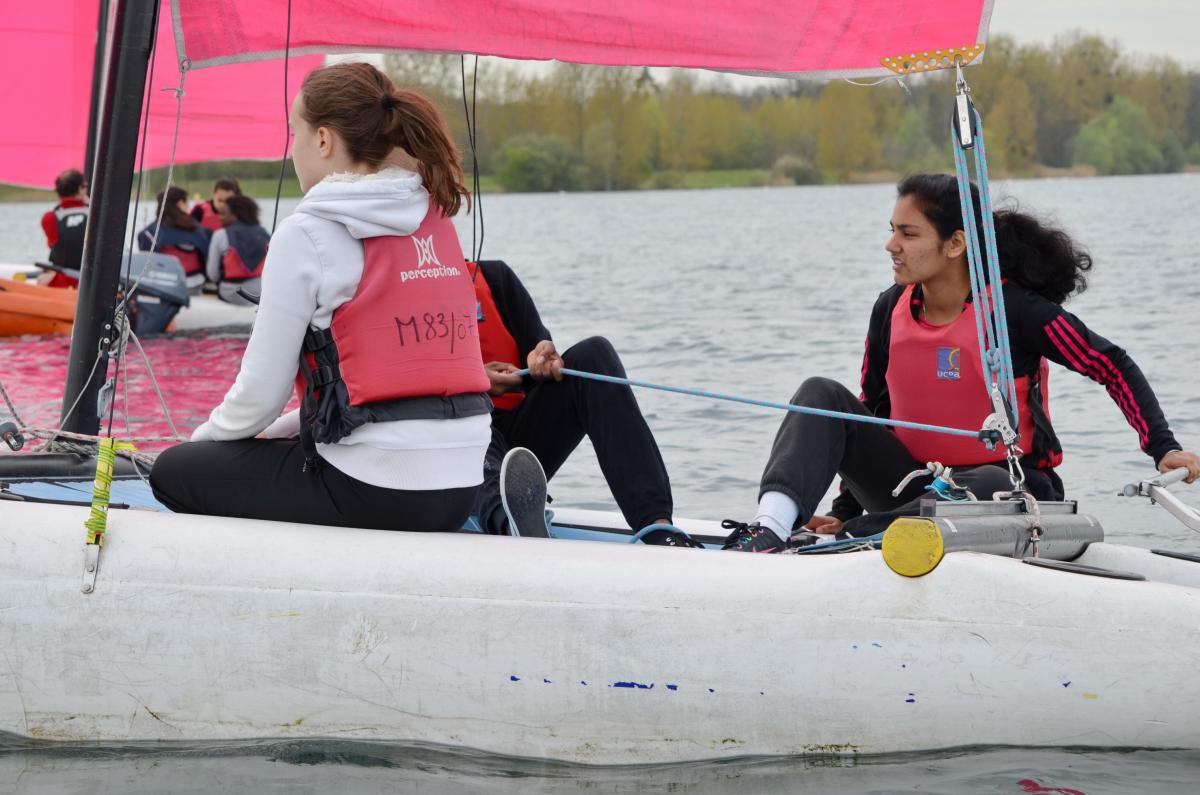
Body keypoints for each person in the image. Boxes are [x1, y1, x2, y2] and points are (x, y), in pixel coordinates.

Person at [722, 173, 1200, 553]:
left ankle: (863, 535)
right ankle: (771, 529)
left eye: (908, 234)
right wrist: (844, 509)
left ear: (955, 243)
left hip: (1009, 491)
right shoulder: (890, 308)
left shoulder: (1015, 312)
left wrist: (1163, 447)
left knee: (988, 479)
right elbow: (870, 415)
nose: (892, 245)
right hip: (910, 490)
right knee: (820, 395)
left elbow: (1112, 366)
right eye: (892, 231)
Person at [149, 62, 492, 531]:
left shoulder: (306, 233)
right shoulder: (436, 218)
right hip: (462, 486)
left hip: (374, 491)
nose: (293, 148)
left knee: (175, 470)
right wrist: (279, 431)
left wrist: (204, 441)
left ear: (324, 140)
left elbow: (259, 398)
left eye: (296, 133)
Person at [470, 259, 674, 536]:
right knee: (471, 415)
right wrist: (473, 378)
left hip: (514, 449)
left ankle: (657, 526)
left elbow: (539, 362)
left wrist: (543, 358)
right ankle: (510, 522)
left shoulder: (495, 277)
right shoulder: (408, 288)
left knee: (593, 355)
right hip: (449, 437)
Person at [137, 186, 211, 284]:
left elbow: (146, 263)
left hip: (163, 282)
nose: (188, 207)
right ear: (180, 203)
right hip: (195, 281)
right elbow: (207, 251)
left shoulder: (147, 233)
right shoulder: (194, 227)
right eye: (187, 203)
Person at [205, 194, 270, 304]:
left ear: (235, 215)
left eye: (223, 214)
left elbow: (213, 274)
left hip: (232, 293)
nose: (219, 217)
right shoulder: (264, 233)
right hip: (260, 292)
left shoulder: (220, 235)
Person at [38, 168, 89, 287]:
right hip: (88, 283)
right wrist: (90, 202)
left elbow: (52, 244)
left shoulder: (49, 218)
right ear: (80, 189)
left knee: (42, 278)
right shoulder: (95, 214)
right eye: (85, 186)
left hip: (61, 283)